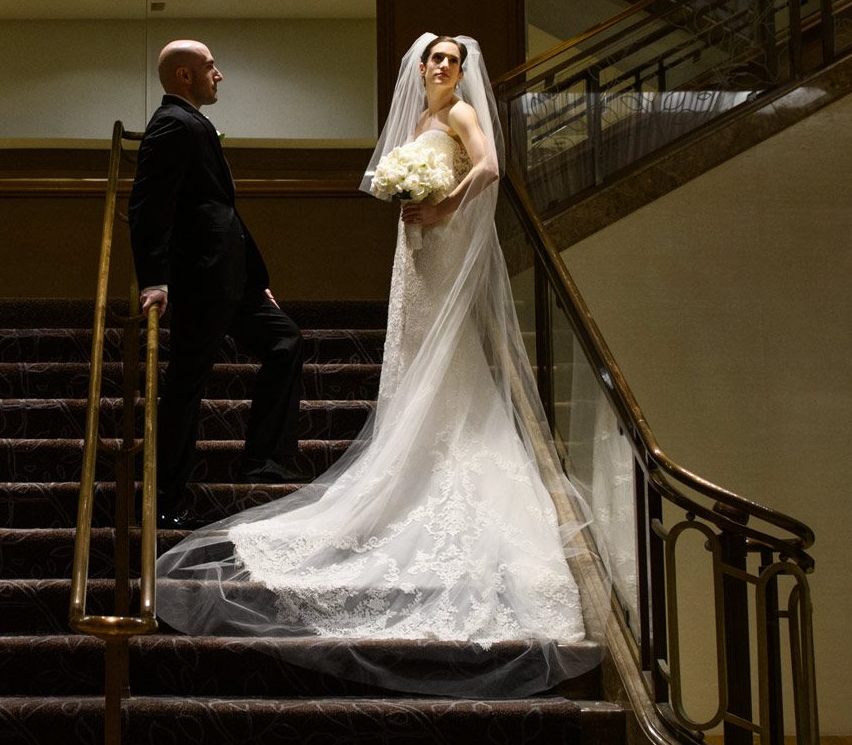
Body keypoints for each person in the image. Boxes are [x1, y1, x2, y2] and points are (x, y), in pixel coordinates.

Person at [154, 34, 599, 697]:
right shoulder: (420, 117)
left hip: (443, 241)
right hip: (416, 251)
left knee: (448, 358)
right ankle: (406, 447)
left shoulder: (460, 115)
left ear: (462, 70)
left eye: (453, 60)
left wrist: (444, 204)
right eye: (435, 59)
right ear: (420, 68)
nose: (443, 67)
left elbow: (490, 170)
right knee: (413, 355)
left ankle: (447, 452)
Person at [130, 40, 304, 527]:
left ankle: (261, 459)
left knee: (285, 340)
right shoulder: (171, 124)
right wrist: (156, 279)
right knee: (187, 381)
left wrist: (254, 278)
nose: (219, 74)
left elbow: (221, 212)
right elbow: (148, 207)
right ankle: (164, 497)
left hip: (232, 278)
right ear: (185, 76)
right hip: (201, 278)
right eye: (210, 66)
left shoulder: (191, 122)